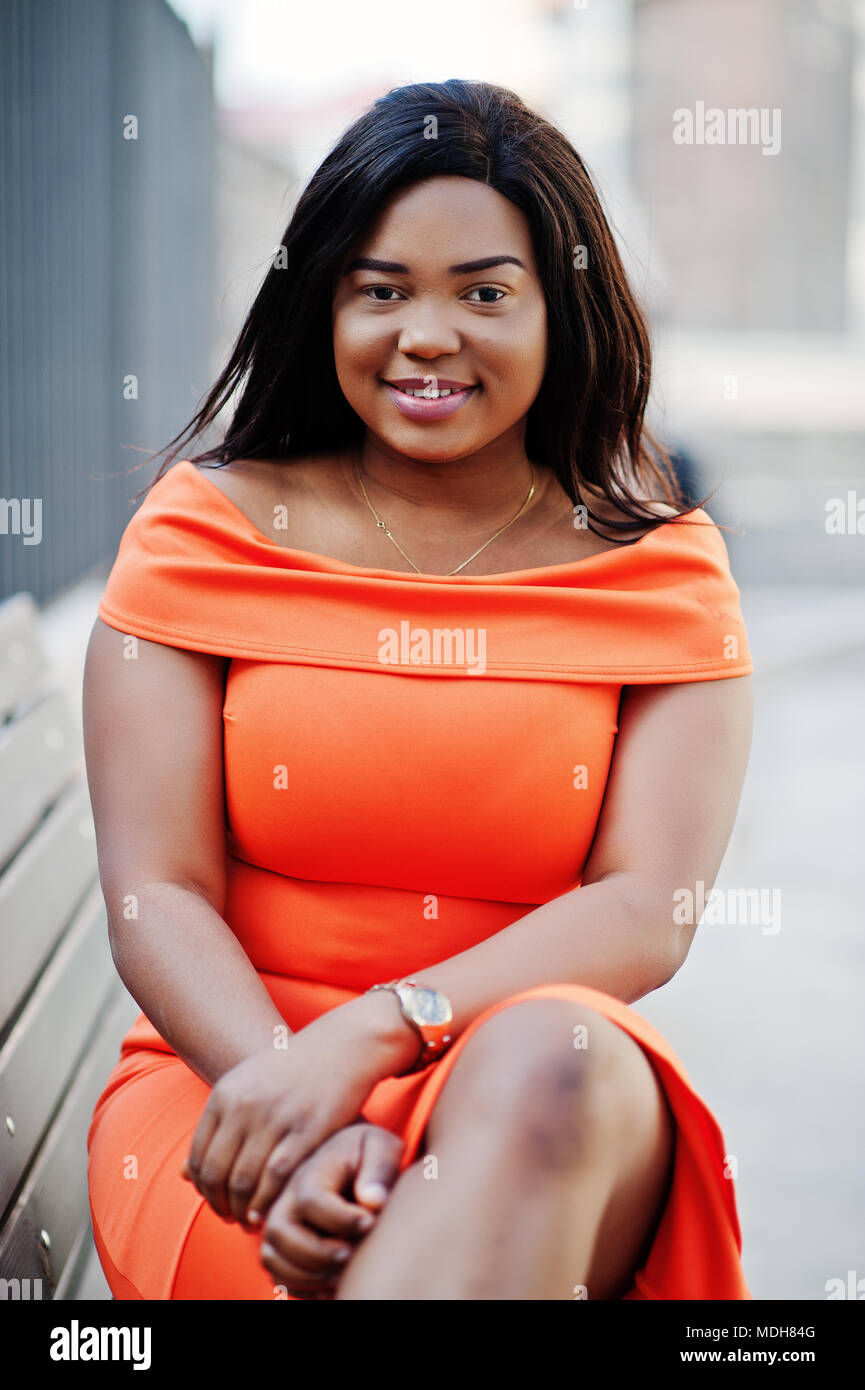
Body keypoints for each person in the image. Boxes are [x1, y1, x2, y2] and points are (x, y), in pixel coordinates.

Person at [83, 78, 754, 1301]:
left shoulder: (656, 571)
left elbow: (647, 906)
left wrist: (382, 1033)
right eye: (380, 289)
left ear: (565, 311)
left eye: (484, 292)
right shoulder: (208, 535)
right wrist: (297, 1098)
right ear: (321, 304)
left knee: (553, 1064)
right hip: (231, 1081)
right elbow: (156, 891)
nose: (427, 335)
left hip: (532, 1085)